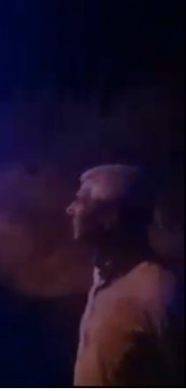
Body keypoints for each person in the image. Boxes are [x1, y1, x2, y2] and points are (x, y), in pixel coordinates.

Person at [66, 164, 184, 386]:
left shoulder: (157, 291)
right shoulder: (104, 277)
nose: (70, 209)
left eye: (81, 201)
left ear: (109, 217)